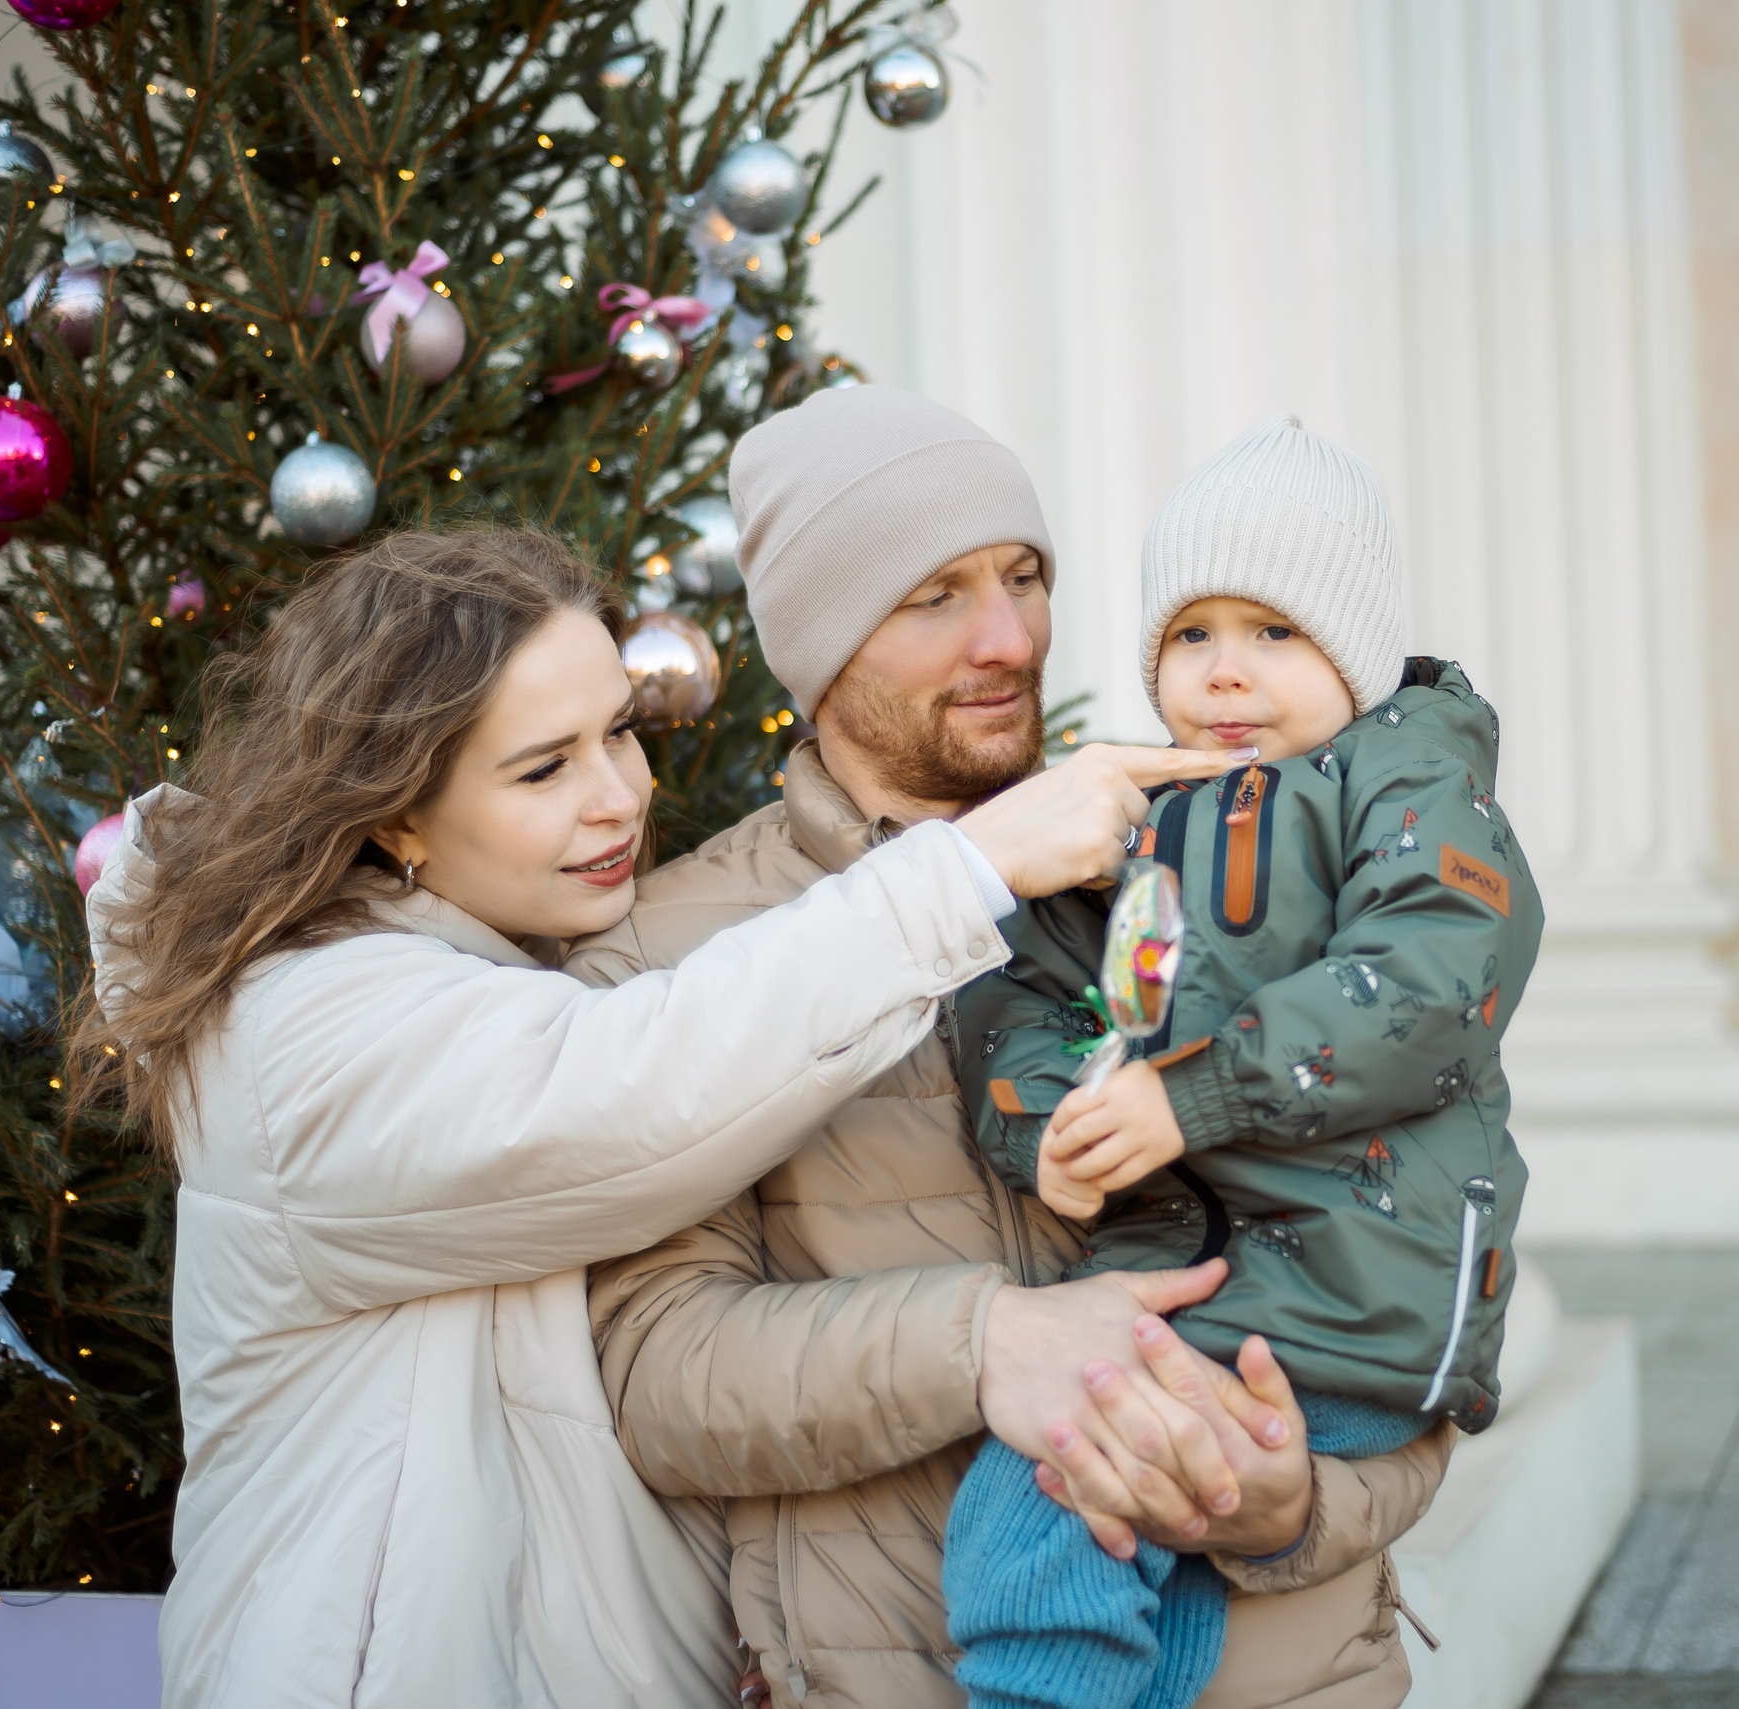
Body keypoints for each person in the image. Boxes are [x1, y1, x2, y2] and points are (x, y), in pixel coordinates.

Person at [72, 526, 1227, 1709]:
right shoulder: (303, 1029)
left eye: (619, 730)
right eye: (542, 769)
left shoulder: (509, 963)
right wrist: (966, 867)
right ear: (396, 816)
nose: (621, 795)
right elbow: (628, 1092)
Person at [581, 389, 1458, 1709]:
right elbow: (660, 1372)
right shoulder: (678, 947)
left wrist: (1302, 1499)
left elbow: (1428, 1269)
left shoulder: (1230, 841)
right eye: (933, 595)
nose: (1009, 639)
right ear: (817, 646)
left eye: (1025, 576)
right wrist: (988, 1342)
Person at [946, 414, 1544, 1709]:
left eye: (1275, 632)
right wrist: (1055, 1119)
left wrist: (1191, 1094)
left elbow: (1437, 974)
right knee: (1132, 1569)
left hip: (1346, 1296)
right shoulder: (1134, 811)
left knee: (1046, 1503)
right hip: (1195, 1287)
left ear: (1357, 648)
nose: (1226, 673)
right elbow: (1025, 992)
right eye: (1192, 635)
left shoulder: (1402, 781)